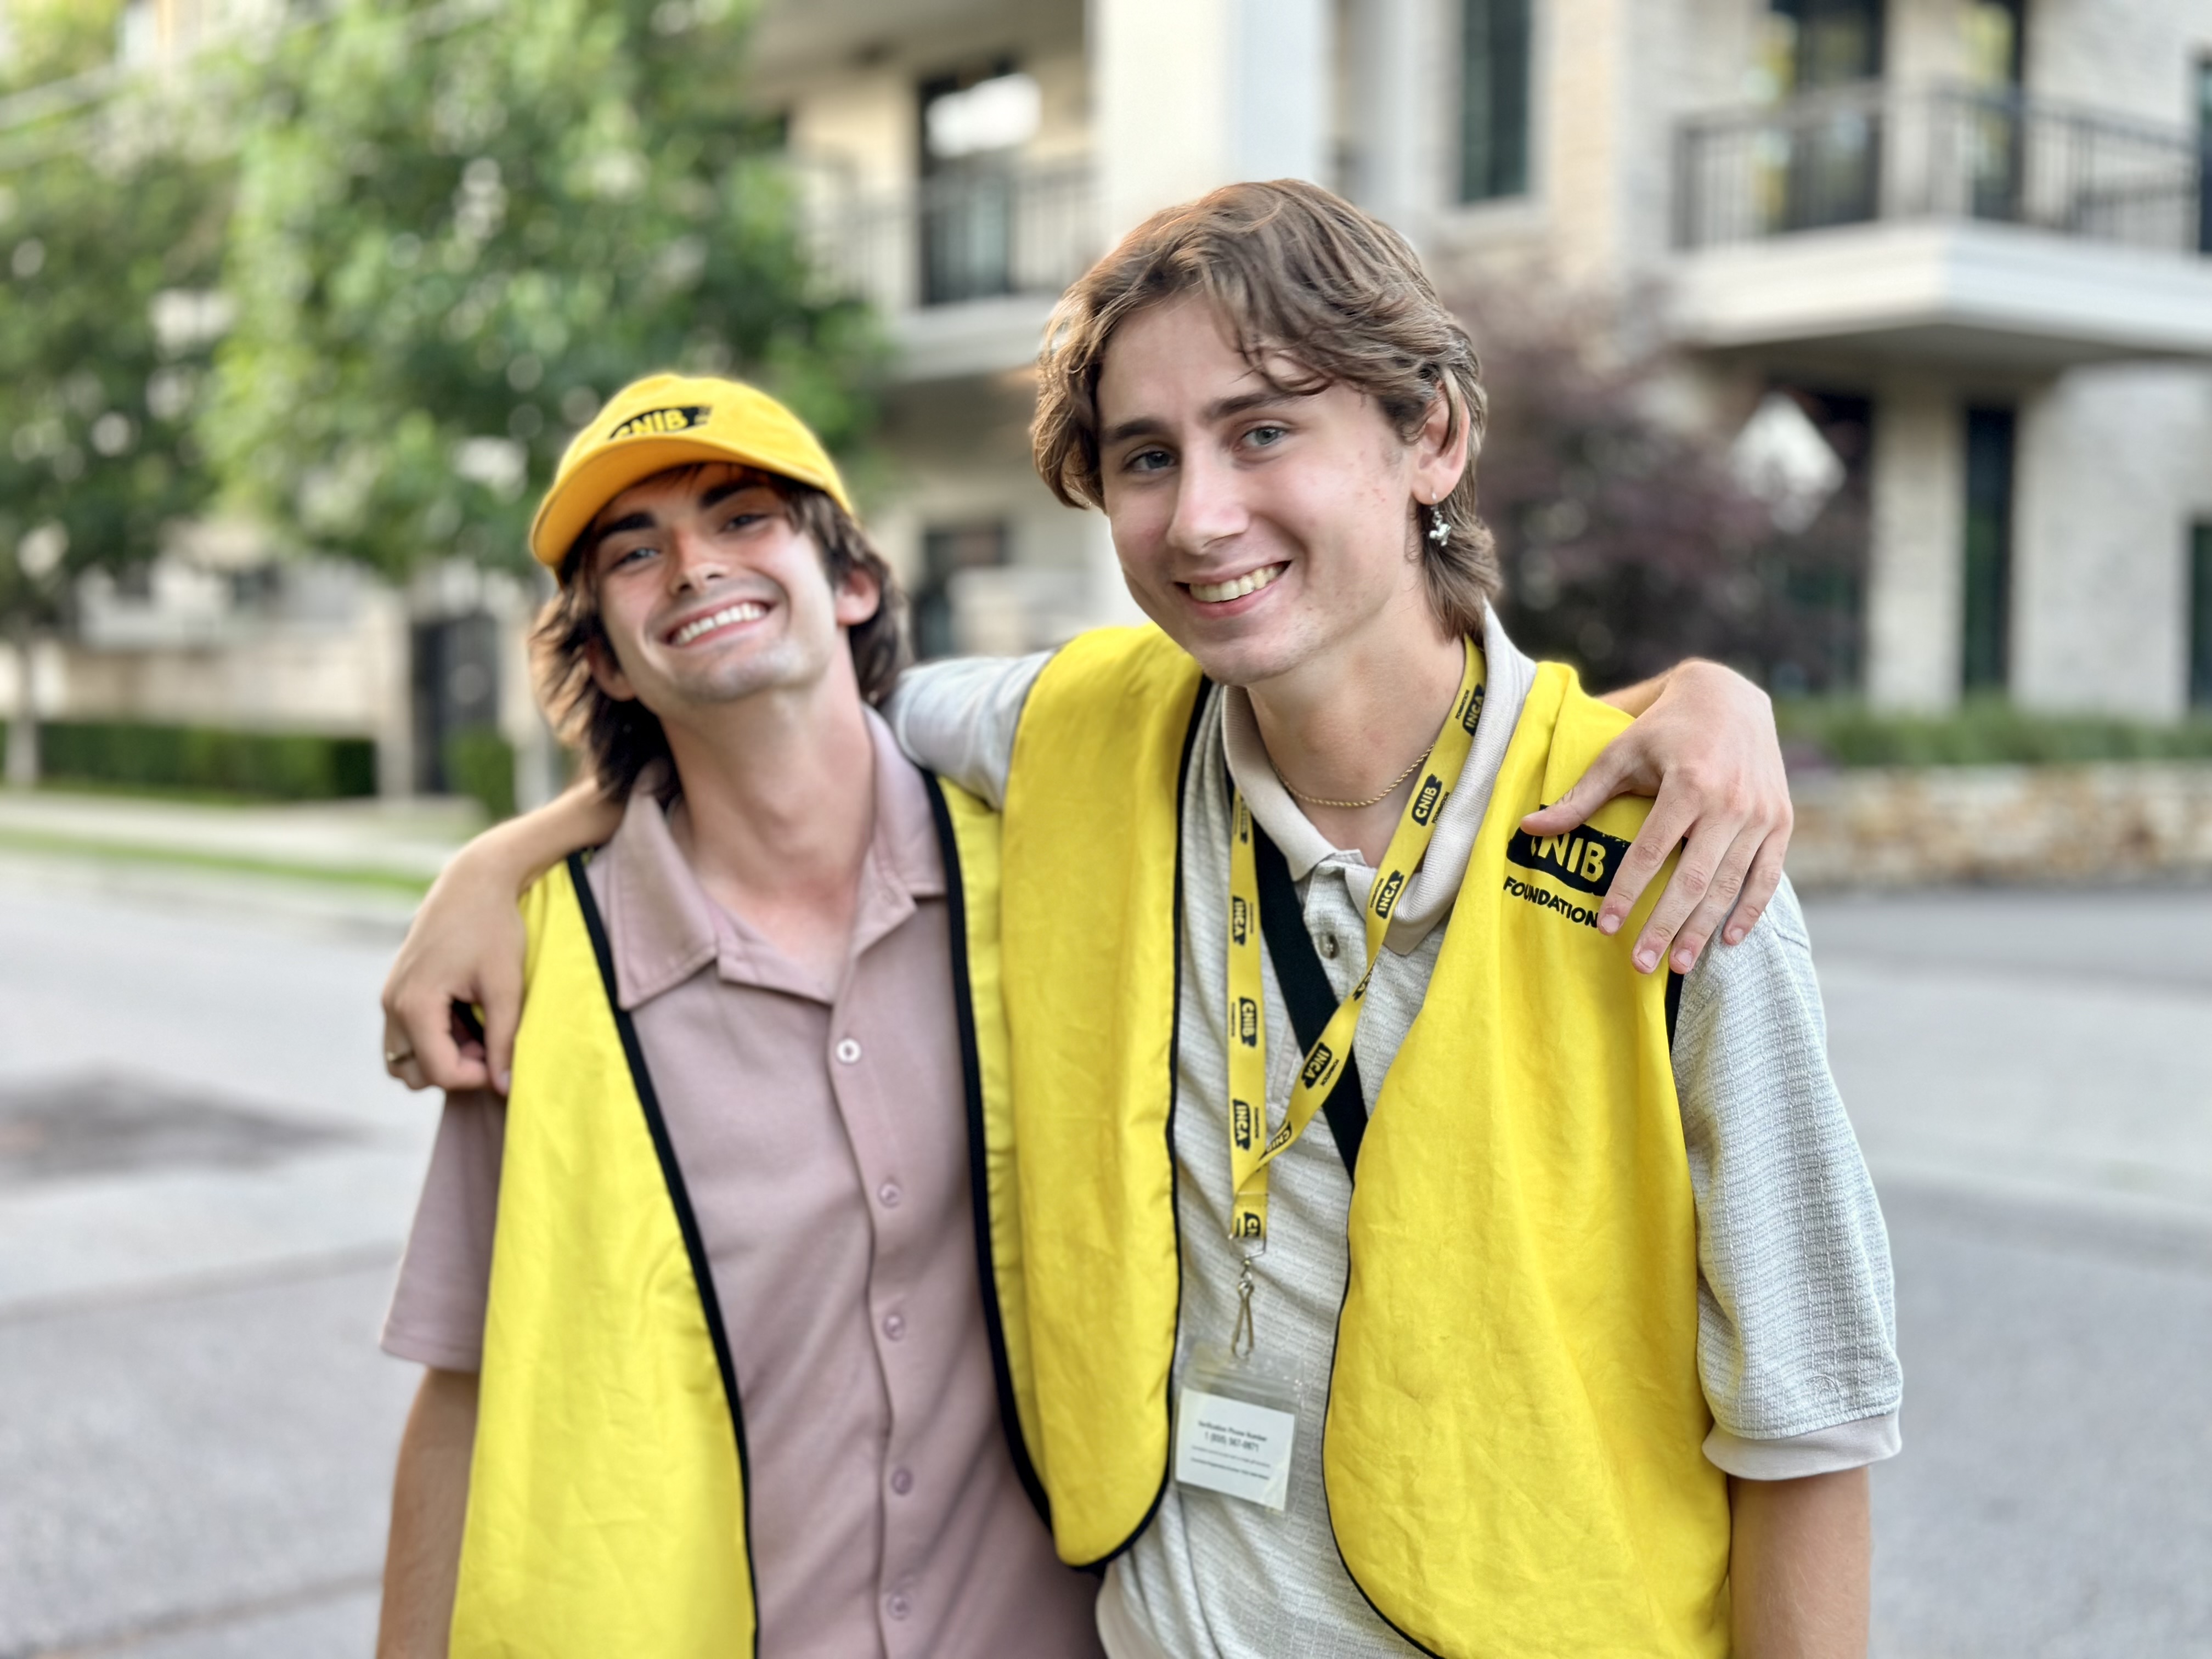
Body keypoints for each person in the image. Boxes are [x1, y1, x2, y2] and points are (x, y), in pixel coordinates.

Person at [382, 185, 1892, 1658]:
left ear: (1430, 435)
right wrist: (503, 860)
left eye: (1264, 429)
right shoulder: (1083, 732)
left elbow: (1808, 1414)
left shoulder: (1680, 850)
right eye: (1147, 458)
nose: (1203, 514)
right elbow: (808, 722)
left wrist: (1704, 699)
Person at [372, 374, 1104, 1657]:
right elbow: (466, 1391)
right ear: (605, 654)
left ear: (853, 584)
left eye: (744, 520)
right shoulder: (547, 974)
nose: (695, 567)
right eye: (635, 553)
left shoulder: (1054, 876)